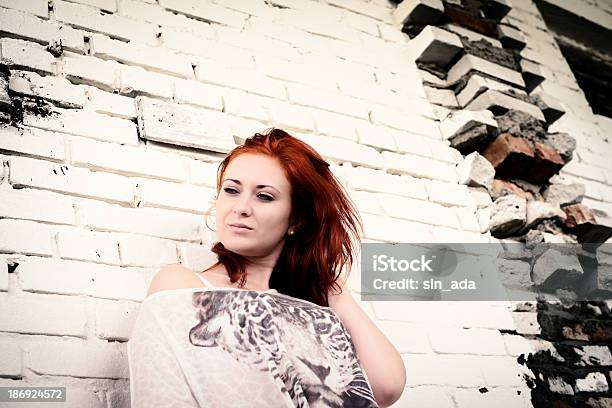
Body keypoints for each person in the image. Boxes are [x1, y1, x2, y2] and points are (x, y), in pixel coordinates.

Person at [127, 128, 406, 407]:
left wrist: (332, 288)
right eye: (231, 190)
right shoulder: (184, 286)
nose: (241, 207)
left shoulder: (314, 310)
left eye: (264, 196)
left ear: (295, 220)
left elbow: (386, 387)